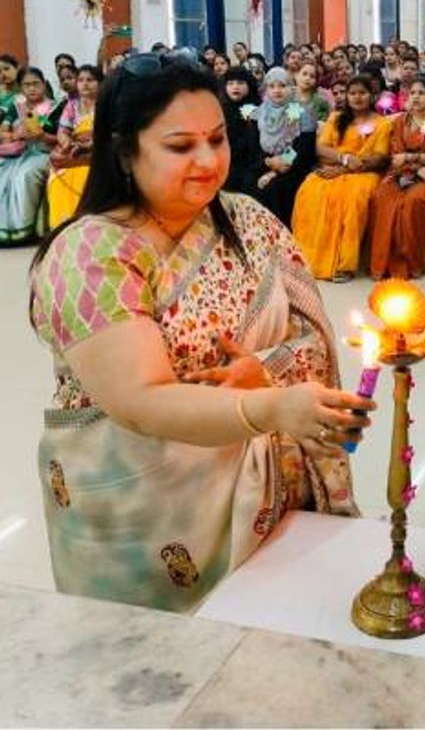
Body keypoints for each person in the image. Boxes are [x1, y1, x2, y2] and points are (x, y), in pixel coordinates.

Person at [29, 56, 372, 613]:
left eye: (217, 139)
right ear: (124, 150)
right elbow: (140, 401)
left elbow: (310, 335)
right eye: (180, 146)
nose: (209, 161)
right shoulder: (92, 253)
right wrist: (267, 406)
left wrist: (266, 371)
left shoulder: (246, 220)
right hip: (141, 505)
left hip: (269, 486)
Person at [291, 76, 391, 283]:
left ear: (372, 96)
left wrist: (344, 170)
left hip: (364, 174)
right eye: (352, 93)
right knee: (309, 189)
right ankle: (308, 258)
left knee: (351, 199)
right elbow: (321, 148)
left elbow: (380, 158)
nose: (357, 97)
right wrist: (343, 159)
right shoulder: (336, 118)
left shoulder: (381, 123)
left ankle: (344, 264)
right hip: (335, 166)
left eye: (362, 93)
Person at [369, 77, 425, 280]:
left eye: (421, 93)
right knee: (381, 196)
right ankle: (382, 265)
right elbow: (395, 154)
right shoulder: (401, 121)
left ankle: (411, 263)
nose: (416, 97)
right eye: (412, 93)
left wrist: (411, 159)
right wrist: (416, 167)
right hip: (404, 173)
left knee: (412, 202)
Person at [249, 68, 318, 227]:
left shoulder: (302, 111)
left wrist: (278, 167)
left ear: (291, 87)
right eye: (271, 86)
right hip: (264, 163)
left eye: (282, 85)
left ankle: (282, 240)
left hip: (293, 167)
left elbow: (304, 148)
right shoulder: (259, 113)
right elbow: (252, 148)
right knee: (248, 184)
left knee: (275, 189)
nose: (277, 91)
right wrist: (268, 162)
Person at [0, 67, 57, 243]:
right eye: (26, 85)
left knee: (24, 176)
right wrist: (14, 135)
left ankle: (23, 230)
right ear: (21, 88)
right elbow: (3, 131)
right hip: (17, 153)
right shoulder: (16, 106)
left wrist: (41, 135)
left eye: (35, 84)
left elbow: (61, 137)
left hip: (43, 152)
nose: (31, 88)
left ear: (43, 84)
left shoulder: (55, 107)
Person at [47, 65, 102, 229]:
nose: (84, 84)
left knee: (85, 175)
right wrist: (66, 143)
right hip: (75, 150)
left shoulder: (106, 104)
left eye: (90, 80)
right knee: (58, 176)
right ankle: (62, 226)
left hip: (97, 150)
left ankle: (88, 225)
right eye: (81, 80)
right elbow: (62, 131)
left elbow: (108, 132)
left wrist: (90, 144)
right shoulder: (71, 106)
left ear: (100, 83)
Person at [219, 66, 262, 197]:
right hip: (226, 165)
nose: (235, 87)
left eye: (240, 83)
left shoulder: (258, 109)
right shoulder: (219, 110)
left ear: (249, 85)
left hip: (253, 167)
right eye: (230, 83)